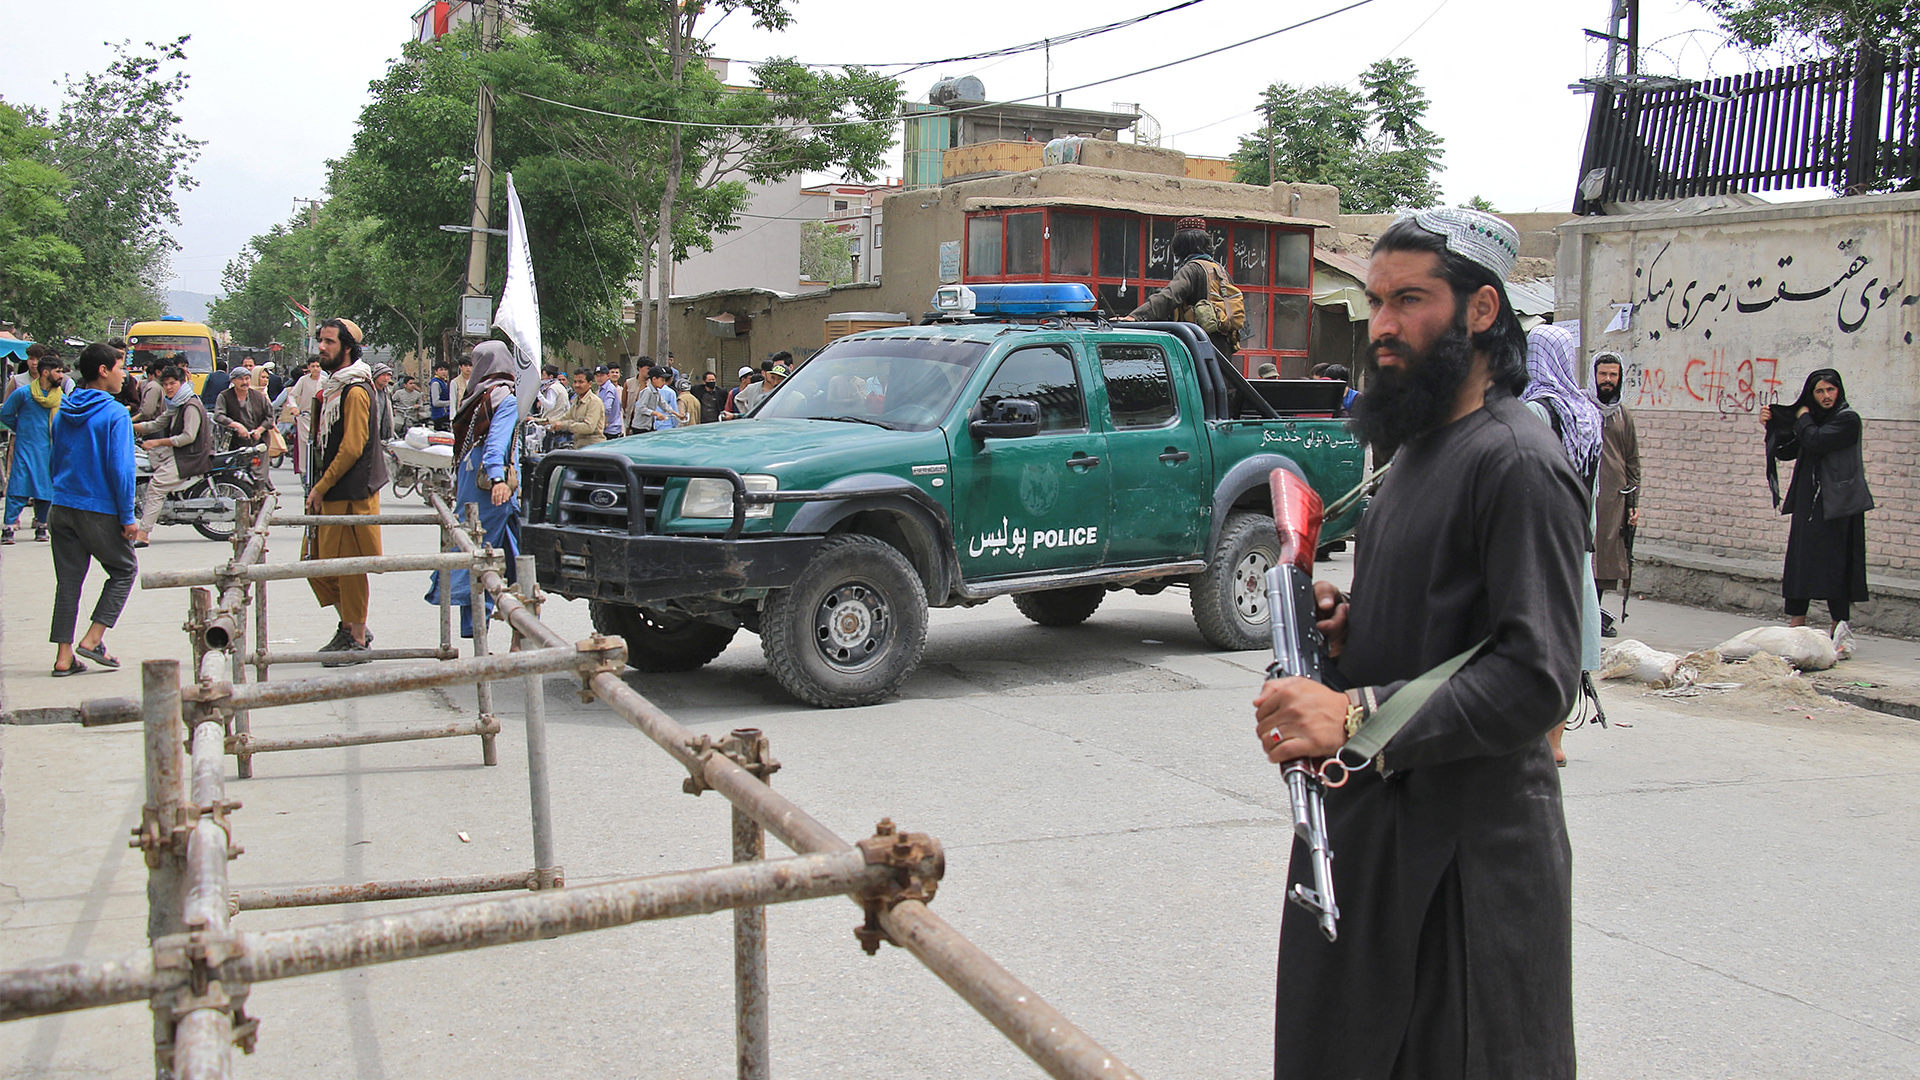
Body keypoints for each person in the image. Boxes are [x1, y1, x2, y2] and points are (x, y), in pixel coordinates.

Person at [1251, 208, 1585, 1080]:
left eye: (1411, 300)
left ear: (1481, 312)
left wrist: (1358, 714)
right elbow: (1453, 624)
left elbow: (1536, 672)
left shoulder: (1516, 460)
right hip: (1382, 832)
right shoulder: (1421, 448)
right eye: (1377, 301)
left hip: (1468, 863)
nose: (1384, 325)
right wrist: (1351, 625)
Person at [1522, 323, 1605, 767]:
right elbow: (1592, 485)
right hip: (1577, 537)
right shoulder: (1587, 410)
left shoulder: (1534, 411)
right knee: (1569, 636)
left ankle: (1538, 738)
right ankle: (1555, 741)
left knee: (1537, 635)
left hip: (1540, 537)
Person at [1763, 369, 1873, 659]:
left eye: (1830, 390)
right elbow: (1788, 451)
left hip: (1838, 505)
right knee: (1801, 562)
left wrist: (1800, 416)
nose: (1825, 396)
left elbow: (1816, 440)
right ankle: (1796, 625)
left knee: (1836, 566)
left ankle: (1838, 627)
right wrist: (1772, 427)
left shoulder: (1847, 420)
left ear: (1839, 391)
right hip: (1808, 503)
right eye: (1819, 392)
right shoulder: (1811, 421)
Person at [47, 344, 140, 677]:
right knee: (124, 569)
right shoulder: (114, 414)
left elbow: (55, 459)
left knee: (69, 581)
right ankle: (93, 638)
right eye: (119, 366)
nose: (123, 374)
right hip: (98, 508)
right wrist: (127, 517)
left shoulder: (64, 409)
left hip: (62, 505)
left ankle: (63, 657)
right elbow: (121, 469)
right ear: (103, 370)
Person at [305, 318, 388, 665]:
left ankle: (356, 636)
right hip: (332, 491)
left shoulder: (354, 390)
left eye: (329, 342)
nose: (322, 348)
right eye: (321, 341)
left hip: (352, 493)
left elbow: (353, 447)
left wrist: (320, 488)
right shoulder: (334, 388)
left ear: (347, 348)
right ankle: (350, 625)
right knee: (318, 566)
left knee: (351, 568)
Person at [430, 340, 521, 637]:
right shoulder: (504, 397)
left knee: (481, 549)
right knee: (487, 558)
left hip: (470, 483)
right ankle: (486, 628)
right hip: (492, 489)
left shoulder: (477, 395)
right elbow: (496, 443)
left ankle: (478, 627)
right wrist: (498, 478)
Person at [1126, 216, 1241, 357]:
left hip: (1199, 350)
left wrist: (1135, 317)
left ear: (1180, 246)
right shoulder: (1220, 270)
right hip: (1222, 351)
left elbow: (1169, 296)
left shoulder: (1192, 268)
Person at [132, 364, 213, 547]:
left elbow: (188, 436)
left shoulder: (190, 405)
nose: (168, 387)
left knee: (156, 487)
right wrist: (128, 425)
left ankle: (143, 534)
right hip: (179, 453)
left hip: (190, 456)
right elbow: (157, 423)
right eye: (165, 384)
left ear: (181, 383)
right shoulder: (176, 403)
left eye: (172, 383)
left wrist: (158, 442)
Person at [1589, 350, 1640, 634]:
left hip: (1614, 501)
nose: (1607, 380)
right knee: (1587, 556)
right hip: (1587, 498)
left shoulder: (1624, 416)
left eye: (1613, 375)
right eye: (1603, 374)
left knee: (1607, 561)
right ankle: (1585, 615)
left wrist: (1634, 503)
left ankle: (1594, 613)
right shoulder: (1583, 408)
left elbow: (1633, 460)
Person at [0, 355, 66, 543]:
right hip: (26, 448)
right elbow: (5, 414)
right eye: (58, 371)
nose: (61, 375)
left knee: (45, 490)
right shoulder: (24, 393)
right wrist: (22, 428)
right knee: (19, 487)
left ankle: (42, 527)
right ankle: (9, 528)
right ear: (46, 372)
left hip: (50, 449)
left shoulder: (60, 397)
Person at [215, 364, 274, 491]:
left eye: (247, 379)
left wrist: (260, 430)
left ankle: (260, 499)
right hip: (234, 443)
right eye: (241, 379)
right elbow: (218, 416)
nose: (245, 382)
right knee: (234, 475)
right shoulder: (225, 396)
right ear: (233, 381)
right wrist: (235, 425)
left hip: (258, 442)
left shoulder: (258, 397)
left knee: (259, 475)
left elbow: (269, 417)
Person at [547, 369, 605, 447]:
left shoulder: (594, 402)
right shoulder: (576, 400)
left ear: (590, 384)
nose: (577, 385)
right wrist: (544, 421)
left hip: (593, 448)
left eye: (581, 382)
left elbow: (588, 427)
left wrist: (564, 425)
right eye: (575, 382)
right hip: (578, 446)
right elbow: (565, 418)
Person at [289, 358, 324, 479]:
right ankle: (305, 474)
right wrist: (294, 408)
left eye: (318, 366)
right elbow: (292, 395)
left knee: (321, 443)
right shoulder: (303, 381)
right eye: (313, 366)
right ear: (308, 368)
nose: (316, 369)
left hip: (321, 418)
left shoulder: (325, 381)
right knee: (304, 445)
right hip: (305, 417)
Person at [595, 364, 624, 439]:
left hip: (611, 430)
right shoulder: (602, 389)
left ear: (608, 376)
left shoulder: (609, 388)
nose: (599, 378)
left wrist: (603, 424)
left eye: (601, 375)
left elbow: (607, 408)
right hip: (608, 429)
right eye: (597, 376)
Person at [370, 363, 398, 441]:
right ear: (376, 376)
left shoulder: (387, 393)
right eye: (383, 375)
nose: (386, 378)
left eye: (388, 375)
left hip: (384, 433)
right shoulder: (370, 392)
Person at [429, 360, 454, 431]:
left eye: (445, 370)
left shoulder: (444, 382)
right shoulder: (436, 383)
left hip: (445, 413)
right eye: (441, 370)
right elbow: (435, 402)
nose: (443, 372)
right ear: (436, 371)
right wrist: (451, 402)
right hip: (440, 415)